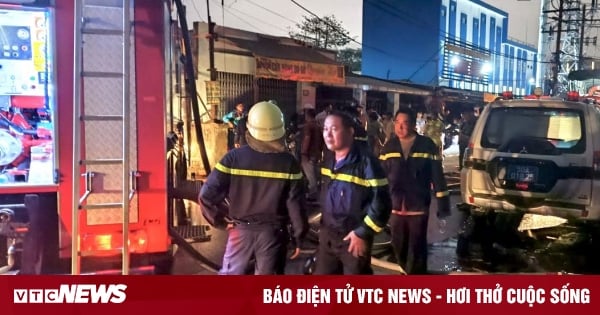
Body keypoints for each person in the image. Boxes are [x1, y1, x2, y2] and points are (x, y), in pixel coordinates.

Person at [199, 101, 308, 275]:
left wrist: (220, 221)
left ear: (249, 128)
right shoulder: (290, 163)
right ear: (280, 130)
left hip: (239, 232)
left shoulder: (233, 158)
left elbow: (207, 195)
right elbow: (296, 205)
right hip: (273, 235)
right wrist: (298, 238)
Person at [314, 110, 392, 275]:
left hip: (354, 238)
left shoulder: (367, 163)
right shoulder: (329, 161)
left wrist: (362, 233)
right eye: (325, 129)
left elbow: (382, 203)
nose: (327, 134)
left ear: (350, 132)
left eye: (334, 129)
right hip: (328, 238)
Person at [379, 107, 451, 274]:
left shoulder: (427, 145)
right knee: (398, 245)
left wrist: (443, 207)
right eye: (397, 123)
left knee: (416, 248)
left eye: (405, 123)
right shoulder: (389, 146)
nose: (400, 127)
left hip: (418, 206)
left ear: (413, 125)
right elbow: (380, 178)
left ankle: (416, 282)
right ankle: (408, 272)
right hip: (395, 206)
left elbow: (437, 177)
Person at [300, 108, 323, 201]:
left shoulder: (308, 126)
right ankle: (316, 194)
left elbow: (307, 138)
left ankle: (312, 195)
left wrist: (303, 152)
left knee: (310, 175)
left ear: (307, 115)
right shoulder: (318, 125)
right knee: (315, 174)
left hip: (309, 154)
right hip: (316, 154)